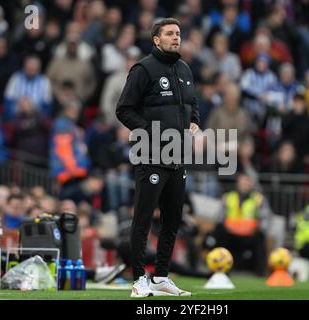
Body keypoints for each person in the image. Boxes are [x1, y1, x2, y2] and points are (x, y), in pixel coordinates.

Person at [116, 17, 199, 298]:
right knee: (143, 218)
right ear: (156, 39)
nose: (176, 37)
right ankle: (139, 277)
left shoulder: (185, 68)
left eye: (178, 33)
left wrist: (195, 122)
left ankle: (161, 276)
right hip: (151, 155)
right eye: (169, 34)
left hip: (178, 155)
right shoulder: (143, 69)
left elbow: (191, 105)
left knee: (173, 219)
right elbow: (124, 109)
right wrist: (150, 133)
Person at [204, 173, 272, 276]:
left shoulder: (258, 199)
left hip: (250, 235)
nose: (245, 184)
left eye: (247, 181)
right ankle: (218, 267)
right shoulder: (228, 197)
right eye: (243, 181)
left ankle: (260, 273)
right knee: (219, 231)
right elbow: (219, 217)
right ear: (238, 183)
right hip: (231, 234)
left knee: (260, 236)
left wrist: (260, 229)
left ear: (251, 184)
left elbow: (266, 218)